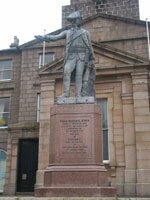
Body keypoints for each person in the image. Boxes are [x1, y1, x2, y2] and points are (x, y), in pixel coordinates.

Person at [35, 11, 95, 97]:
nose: (80, 21)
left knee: (79, 75)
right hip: (71, 56)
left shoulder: (85, 33)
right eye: (79, 19)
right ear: (74, 21)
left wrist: (92, 58)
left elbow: (90, 46)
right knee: (66, 71)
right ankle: (66, 93)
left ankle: (78, 94)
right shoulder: (68, 32)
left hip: (82, 56)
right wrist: (44, 38)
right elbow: (56, 37)